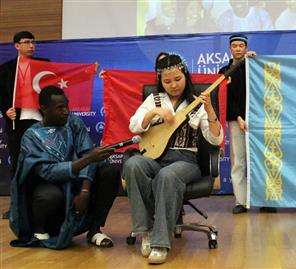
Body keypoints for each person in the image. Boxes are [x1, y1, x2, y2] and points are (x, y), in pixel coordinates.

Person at [122, 54, 223, 264]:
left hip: (185, 160)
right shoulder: (154, 99)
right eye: (167, 82)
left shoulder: (197, 102)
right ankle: (147, 231)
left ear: (185, 75)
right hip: (155, 157)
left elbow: (215, 139)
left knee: (167, 175)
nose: (173, 85)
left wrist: (210, 109)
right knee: (132, 164)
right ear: (160, 82)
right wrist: (154, 113)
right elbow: (134, 125)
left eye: (177, 79)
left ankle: (160, 243)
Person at [9, 86, 120, 249]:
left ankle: (94, 230)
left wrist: (84, 191)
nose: (66, 111)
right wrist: (89, 158)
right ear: (44, 109)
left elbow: (87, 153)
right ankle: (41, 230)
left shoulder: (74, 122)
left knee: (109, 171)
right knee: (50, 195)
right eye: (60, 108)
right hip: (50, 190)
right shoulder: (31, 137)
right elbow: (49, 172)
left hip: (76, 187)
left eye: (67, 106)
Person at [219, 34, 276, 214]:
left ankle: (266, 200)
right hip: (236, 120)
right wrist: (238, 117)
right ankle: (241, 202)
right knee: (239, 162)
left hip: (258, 119)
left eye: (241, 45)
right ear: (230, 49)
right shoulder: (224, 71)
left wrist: (253, 61)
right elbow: (227, 98)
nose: (237, 48)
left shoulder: (255, 66)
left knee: (261, 159)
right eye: (234, 46)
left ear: (246, 47)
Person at [0, 31, 49, 219]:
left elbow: (60, 82)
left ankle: (40, 205)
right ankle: (16, 207)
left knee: (42, 164)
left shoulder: (43, 64)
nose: (31, 45)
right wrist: (5, 109)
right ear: (16, 46)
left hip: (40, 122)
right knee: (18, 166)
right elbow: (1, 95)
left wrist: (87, 72)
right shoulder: (6, 69)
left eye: (33, 42)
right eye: (27, 42)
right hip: (16, 123)